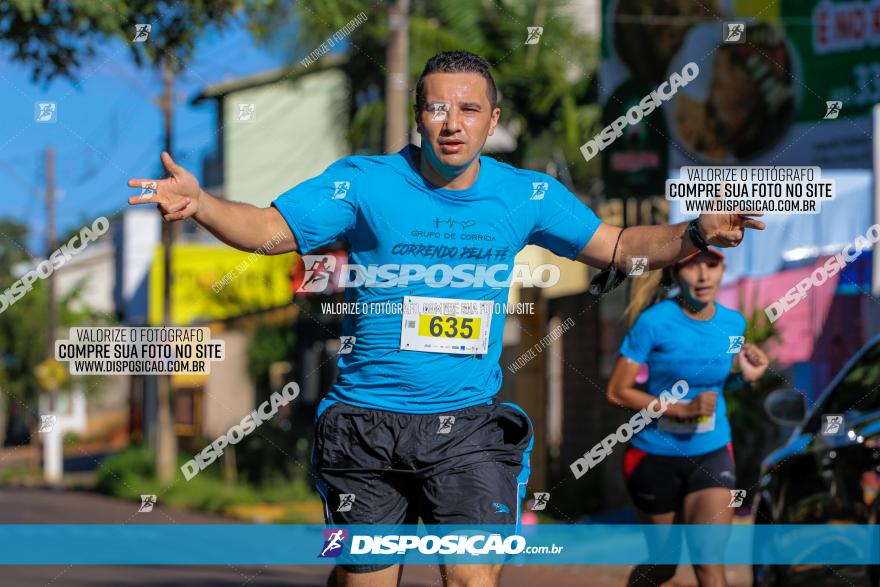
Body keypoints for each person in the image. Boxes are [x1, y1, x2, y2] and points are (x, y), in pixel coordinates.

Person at [127, 50, 763, 587]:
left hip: (468, 428)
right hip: (365, 426)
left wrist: (690, 233)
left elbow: (619, 247)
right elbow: (271, 230)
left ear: (492, 120)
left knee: (469, 576)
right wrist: (204, 204)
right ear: (418, 117)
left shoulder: (526, 194)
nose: (451, 123)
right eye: (437, 108)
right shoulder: (364, 182)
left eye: (468, 109)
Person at [607, 247, 769, 587]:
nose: (703, 275)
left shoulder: (733, 323)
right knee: (665, 567)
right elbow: (618, 391)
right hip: (654, 454)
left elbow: (717, 386)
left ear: (722, 270)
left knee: (710, 565)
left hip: (710, 450)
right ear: (676, 273)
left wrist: (745, 377)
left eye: (711, 265)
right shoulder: (653, 323)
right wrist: (680, 408)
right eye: (692, 266)